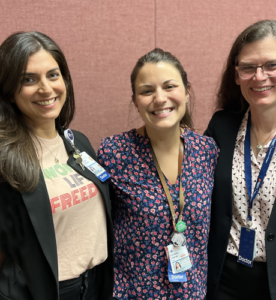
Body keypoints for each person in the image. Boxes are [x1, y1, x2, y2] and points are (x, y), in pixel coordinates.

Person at [0, 31, 114, 300]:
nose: (46, 88)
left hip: (95, 285)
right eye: (29, 79)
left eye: (53, 75)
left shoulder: (79, 143)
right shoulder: (4, 159)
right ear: (9, 90)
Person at [97, 48, 218, 300]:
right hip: (131, 294)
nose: (160, 98)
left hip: (193, 293)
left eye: (169, 86)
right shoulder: (114, 153)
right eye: (147, 91)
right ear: (135, 100)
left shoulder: (206, 150)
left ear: (186, 92)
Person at [204, 20, 276, 300]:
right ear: (236, 75)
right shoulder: (221, 128)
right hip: (223, 278)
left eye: (272, 65)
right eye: (248, 67)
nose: (259, 77)